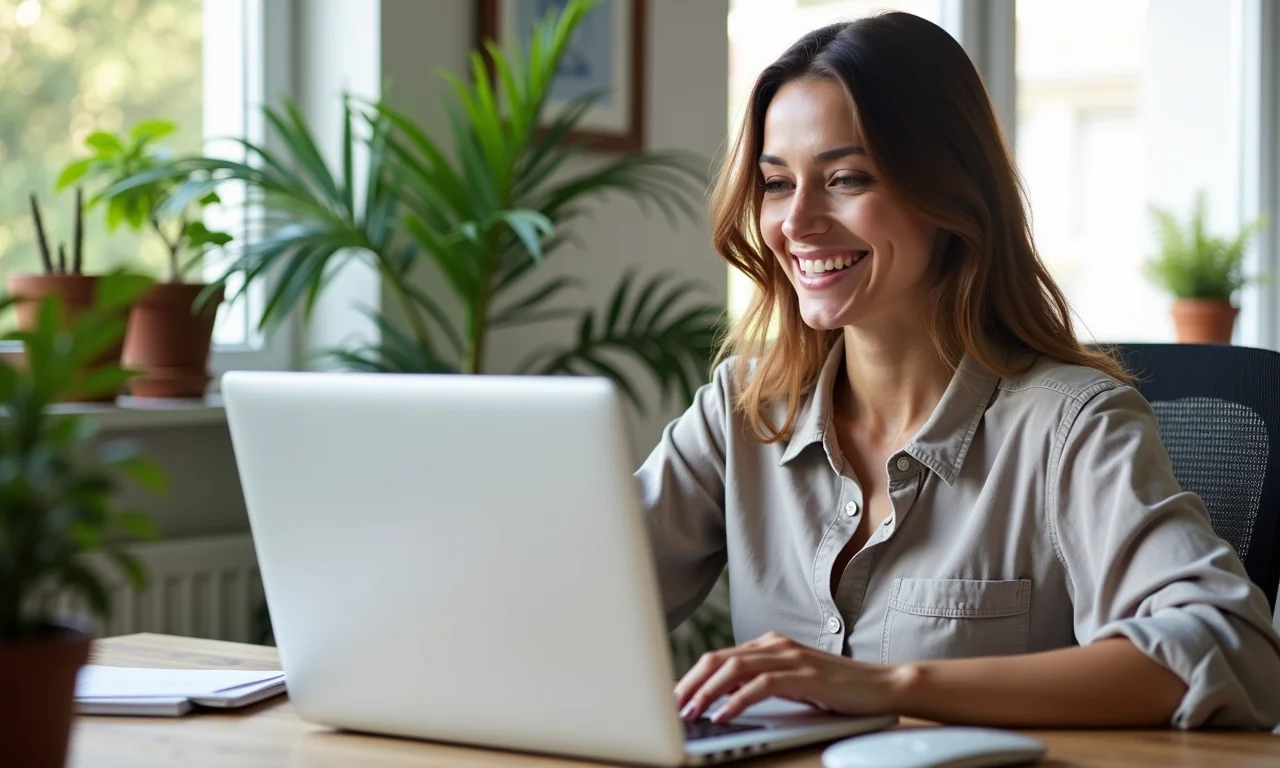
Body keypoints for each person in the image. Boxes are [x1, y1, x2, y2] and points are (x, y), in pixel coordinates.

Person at [637, 13, 1280, 730]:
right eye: (777, 183)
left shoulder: (1071, 425)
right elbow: (571, 592)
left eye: (847, 178)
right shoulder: (743, 410)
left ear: (950, 193)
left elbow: (1231, 647)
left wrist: (891, 685)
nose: (797, 222)